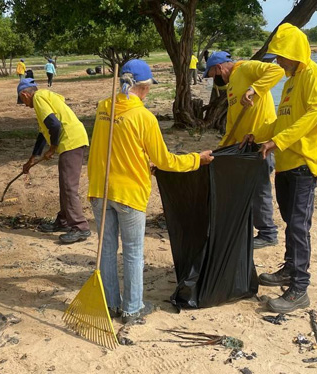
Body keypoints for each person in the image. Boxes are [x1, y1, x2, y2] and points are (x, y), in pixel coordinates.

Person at [87, 59, 214, 323]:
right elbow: (166, 160)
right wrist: (195, 159)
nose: (148, 92)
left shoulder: (103, 108)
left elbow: (120, 145)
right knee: (132, 251)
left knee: (107, 250)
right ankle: (132, 309)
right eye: (148, 88)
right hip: (129, 193)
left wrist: (145, 161)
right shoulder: (143, 116)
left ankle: (111, 305)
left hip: (100, 189)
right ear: (143, 87)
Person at [241, 23, 317, 313]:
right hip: (285, 163)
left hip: (304, 163)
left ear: (295, 53)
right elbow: (284, 120)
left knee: (298, 227)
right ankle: (290, 269)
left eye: (281, 56)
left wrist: (277, 141)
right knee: (291, 223)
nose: (278, 62)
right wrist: (262, 134)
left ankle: (299, 288)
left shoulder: (314, 75)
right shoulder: (290, 82)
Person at [205, 51, 285, 249]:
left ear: (219, 67)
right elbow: (232, 124)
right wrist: (221, 149)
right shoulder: (232, 85)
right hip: (243, 145)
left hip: (260, 143)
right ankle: (248, 226)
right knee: (245, 187)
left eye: (214, 75)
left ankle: (268, 233)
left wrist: (253, 90)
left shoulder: (246, 68)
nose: (216, 80)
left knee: (260, 189)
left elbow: (276, 70)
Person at [17, 78, 91, 244]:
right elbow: (44, 133)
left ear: (24, 95)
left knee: (69, 187)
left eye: (22, 101)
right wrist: (32, 159)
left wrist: (52, 148)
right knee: (64, 184)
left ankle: (80, 227)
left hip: (71, 142)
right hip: (72, 141)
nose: (25, 105)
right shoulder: (45, 97)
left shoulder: (37, 98)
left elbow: (55, 126)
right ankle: (63, 221)